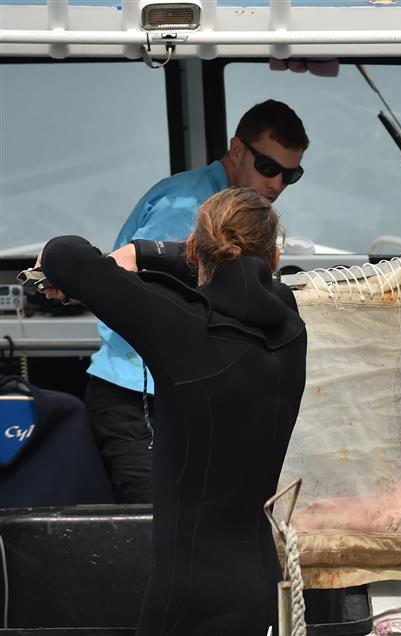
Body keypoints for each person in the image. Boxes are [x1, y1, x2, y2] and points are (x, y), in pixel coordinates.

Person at [37, 188, 307, 635]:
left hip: (188, 597)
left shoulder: (182, 328)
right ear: (274, 258)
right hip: (260, 586)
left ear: (194, 249)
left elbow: (64, 255)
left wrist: (140, 253)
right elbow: (247, 276)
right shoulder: (290, 328)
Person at [85, 99, 308, 503]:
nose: (276, 184)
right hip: (137, 396)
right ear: (237, 150)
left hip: (169, 393)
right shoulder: (190, 208)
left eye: (290, 175)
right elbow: (147, 292)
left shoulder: (224, 208)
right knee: (151, 527)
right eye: (268, 168)